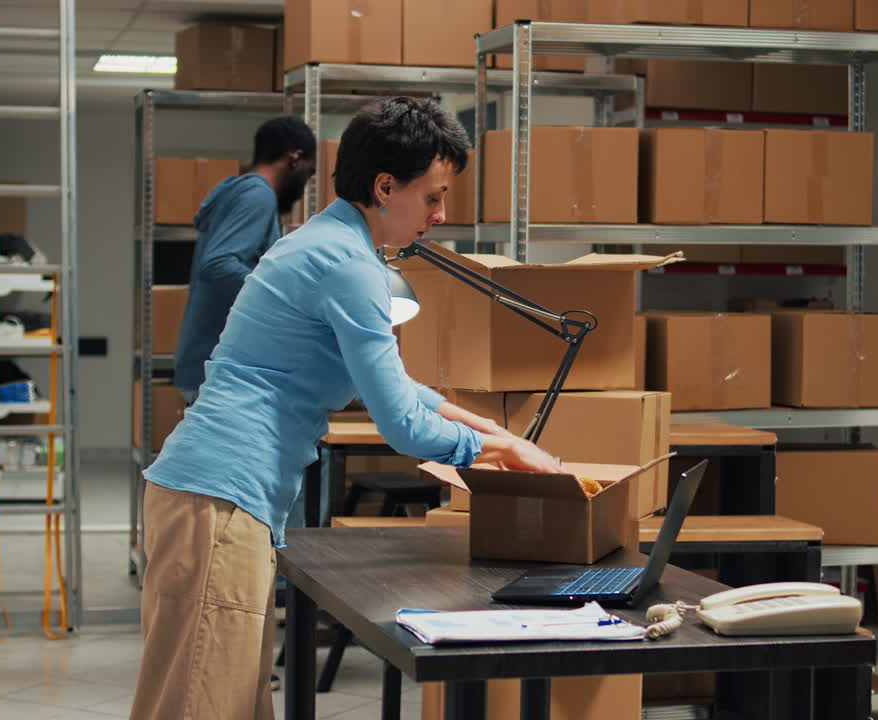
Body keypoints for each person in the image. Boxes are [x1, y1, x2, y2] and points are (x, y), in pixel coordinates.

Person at [129, 97, 565, 720]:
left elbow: (400, 387)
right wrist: (497, 451)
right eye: (434, 197)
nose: (440, 216)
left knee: (235, 704)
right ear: (386, 186)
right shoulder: (348, 266)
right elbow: (403, 425)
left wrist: (493, 430)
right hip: (220, 499)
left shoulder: (328, 243)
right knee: (198, 706)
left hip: (217, 496)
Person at [173, 115, 317, 404]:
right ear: (294, 158)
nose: (304, 186)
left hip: (210, 365)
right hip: (221, 371)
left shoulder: (239, 192)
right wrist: (283, 298)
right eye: (308, 172)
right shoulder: (257, 197)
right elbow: (219, 265)